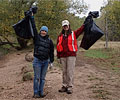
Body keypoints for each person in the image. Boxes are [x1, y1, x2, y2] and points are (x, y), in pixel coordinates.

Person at [29, 14, 54, 98]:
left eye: (45, 31)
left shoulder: (50, 41)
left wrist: (51, 62)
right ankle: (36, 93)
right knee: (37, 78)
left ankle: (41, 92)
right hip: (37, 61)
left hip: (45, 61)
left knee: (43, 78)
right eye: (42, 30)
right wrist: (32, 17)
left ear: (47, 32)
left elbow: (51, 52)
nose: (43, 32)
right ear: (40, 31)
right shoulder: (36, 38)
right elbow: (33, 27)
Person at [57, 20, 84, 94]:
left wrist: (87, 20)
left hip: (71, 55)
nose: (66, 27)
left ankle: (70, 86)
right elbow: (58, 46)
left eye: (67, 25)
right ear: (62, 27)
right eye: (64, 26)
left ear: (69, 26)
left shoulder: (74, 33)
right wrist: (58, 57)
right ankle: (64, 86)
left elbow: (81, 29)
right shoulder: (60, 36)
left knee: (70, 71)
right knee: (64, 71)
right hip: (62, 56)